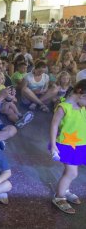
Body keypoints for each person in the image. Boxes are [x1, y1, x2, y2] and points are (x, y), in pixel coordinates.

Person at [50, 80, 86, 214]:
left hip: (80, 145)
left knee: (71, 172)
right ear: (81, 94)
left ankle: (65, 190)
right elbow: (54, 126)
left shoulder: (82, 107)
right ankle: (59, 197)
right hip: (66, 146)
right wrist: (53, 145)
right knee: (72, 172)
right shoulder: (63, 107)